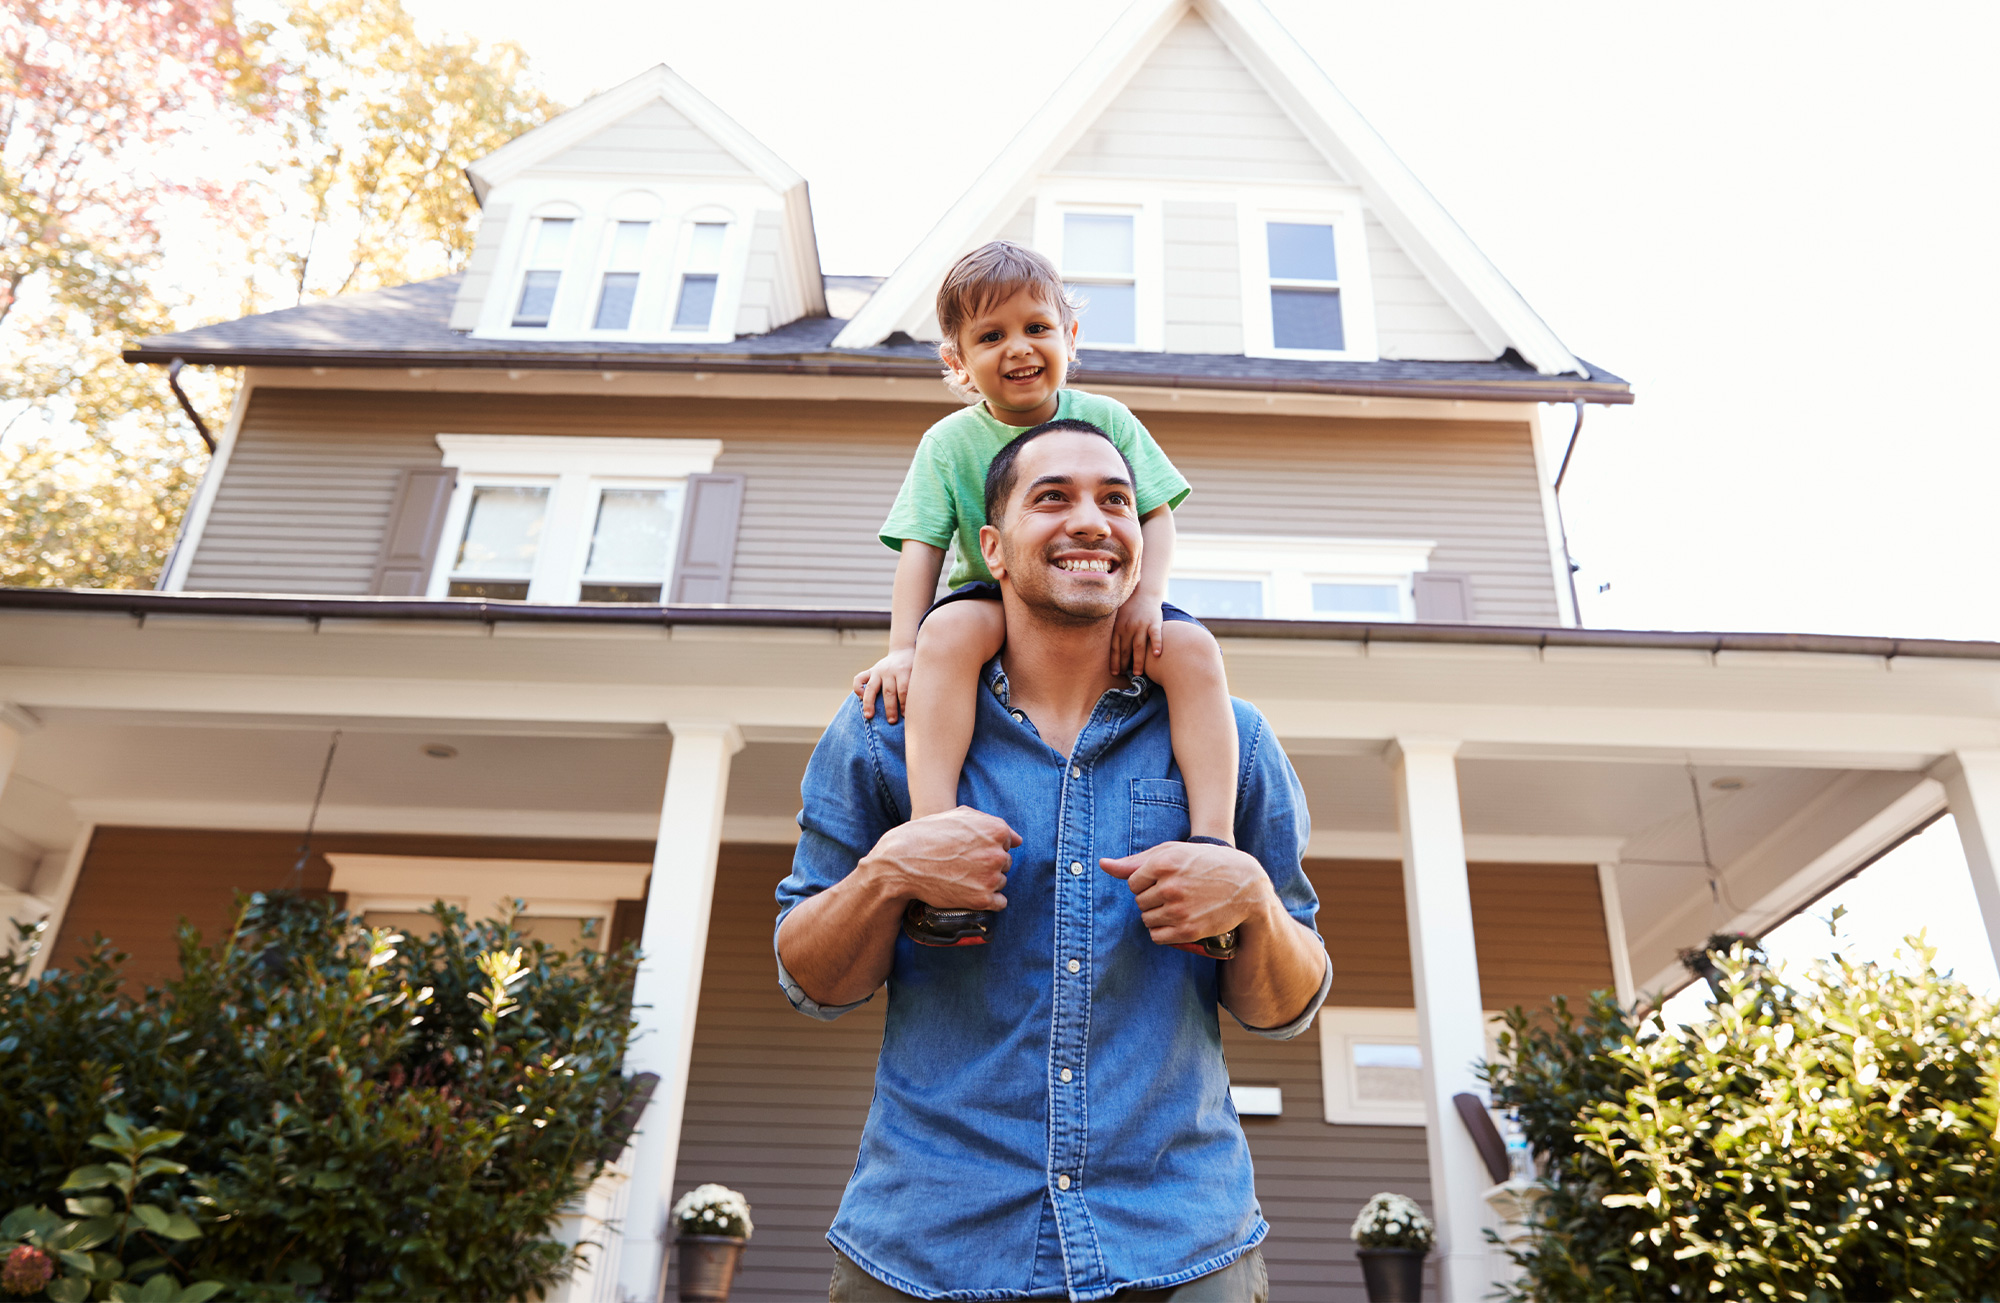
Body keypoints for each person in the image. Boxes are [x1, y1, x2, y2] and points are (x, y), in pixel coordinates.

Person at [779, 421, 1332, 1301]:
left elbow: (1289, 1004)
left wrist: (1254, 903)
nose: (1093, 519)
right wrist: (891, 873)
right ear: (991, 548)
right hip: (928, 1246)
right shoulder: (886, 731)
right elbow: (812, 978)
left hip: (1179, 1244)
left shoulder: (1229, 738)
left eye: (1116, 499)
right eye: (1053, 498)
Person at [853, 241, 1242, 856]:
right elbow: (921, 549)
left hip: (1101, 592)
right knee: (948, 638)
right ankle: (934, 829)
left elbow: (1156, 515)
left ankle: (1214, 841)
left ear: (1070, 335)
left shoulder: (1107, 419)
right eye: (991, 336)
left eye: (1037, 327)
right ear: (957, 361)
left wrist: (1148, 598)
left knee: (1192, 648)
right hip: (993, 596)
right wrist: (903, 649)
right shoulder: (948, 442)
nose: (1019, 347)